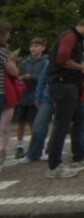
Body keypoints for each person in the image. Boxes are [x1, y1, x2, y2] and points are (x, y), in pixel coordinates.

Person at [45, 16, 84, 179]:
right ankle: (54, 166)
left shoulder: (76, 39)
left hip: (71, 84)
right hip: (64, 84)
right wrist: (81, 67)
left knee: (79, 119)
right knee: (61, 125)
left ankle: (79, 157)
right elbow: (62, 59)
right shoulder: (70, 36)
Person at [14, 37, 47, 160]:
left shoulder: (45, 62)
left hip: (36, 97)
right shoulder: (24, 62)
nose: (34, 48)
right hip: (23, 97)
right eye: (32, 46)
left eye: (37, 46)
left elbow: (45, 79)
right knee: (21, 122)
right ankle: (19, 146)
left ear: (43, 48)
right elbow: (17, 75)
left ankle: (37, 148)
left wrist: (32, 76)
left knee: (34, 124)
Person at [19, 63, 53, 163]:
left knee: (60, 128)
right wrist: (38, 98)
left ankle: (52, 152)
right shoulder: (49, 62)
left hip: (64, 98)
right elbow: (42, 80)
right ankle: (33, 153)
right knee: (38, 125)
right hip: (47, 98)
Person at [0, 20, 21, 168]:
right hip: (3, 94)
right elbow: (14, 71)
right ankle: (2, 152)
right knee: (3, 127)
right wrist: (13, 63)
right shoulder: (2, 52)